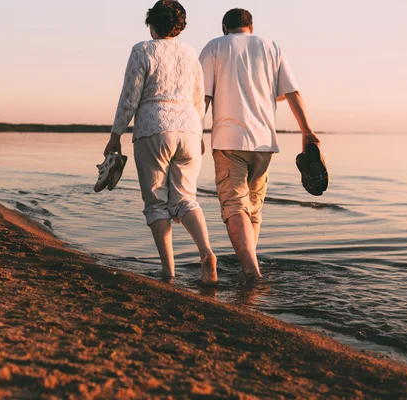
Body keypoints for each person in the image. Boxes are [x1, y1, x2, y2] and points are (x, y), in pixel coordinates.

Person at [199, 8, 321, 278]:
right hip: (265, 142)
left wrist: (196, 131)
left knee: (234, 206)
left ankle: (252, 273)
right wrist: (307, 131)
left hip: (229, 140)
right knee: (252, 210)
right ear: (251, 27)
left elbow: (203, 96)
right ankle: (251, 267)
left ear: (224, 27)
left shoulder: (215, 47)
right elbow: (291, 92)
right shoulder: (271, 47)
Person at [103, 0, 217, 283]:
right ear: (180, 27)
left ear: (151, 24)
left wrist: (116, 134)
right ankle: (206, 251)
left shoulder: (142, 50)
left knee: (156, 202)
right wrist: (199, 133)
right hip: (189, 129)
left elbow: (129, 98)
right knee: (186, 198)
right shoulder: (190, 53)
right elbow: (199, 98)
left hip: (154, 127)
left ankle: (168, 271)